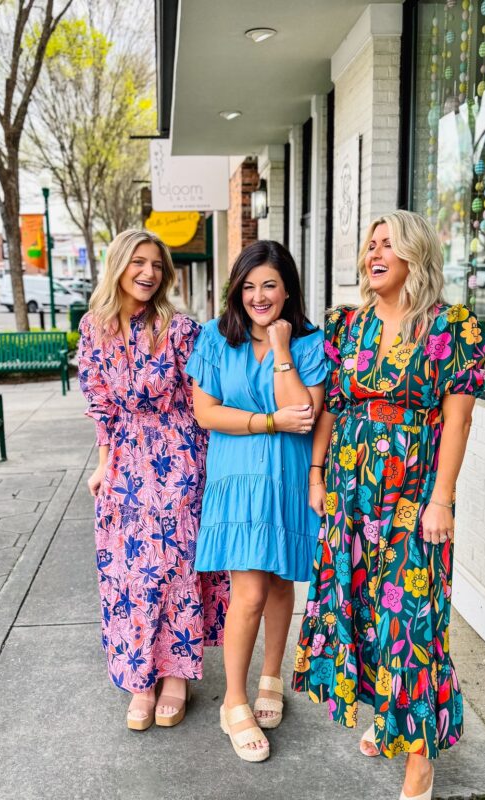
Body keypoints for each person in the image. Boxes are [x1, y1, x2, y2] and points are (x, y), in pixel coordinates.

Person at [292, 211, 485, 800]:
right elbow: (328, 406)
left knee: (412, 622)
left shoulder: (451, 327)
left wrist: (442, 499)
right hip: (351, 494)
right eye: (370, 245)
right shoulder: (344, 326)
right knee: (360, 612)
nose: (373, 254)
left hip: (414, 495)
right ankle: (389, 718)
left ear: (416, 255)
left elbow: (458, 421)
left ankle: (419, 761)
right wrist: (317, 472)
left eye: (388, 245)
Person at [78, 229, 228, 732]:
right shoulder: (93, 327)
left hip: (180, 458)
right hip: (125, 461)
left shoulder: (180, 328)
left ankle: (177, 677)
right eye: (138, 262)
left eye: (157, 266)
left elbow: (201, 396)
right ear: (117, 265)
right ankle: (140, 679)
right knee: (129, 576)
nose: (148, 273)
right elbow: (99, 403)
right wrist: (103, 464)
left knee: (176, 570)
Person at [186, 240, 327, 762]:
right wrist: (267, 421)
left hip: (288, 478)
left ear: (287, 286)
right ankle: (235, 701)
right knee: (246, 590)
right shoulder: (215, 339)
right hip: (238, 478)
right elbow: (206, 412)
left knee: (279, 581)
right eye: (248, 286)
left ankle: (272, 675)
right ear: (235, 290)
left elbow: (306, 413)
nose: (258, 295)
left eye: (268, 284)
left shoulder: (311, 344)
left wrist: (283, 348)